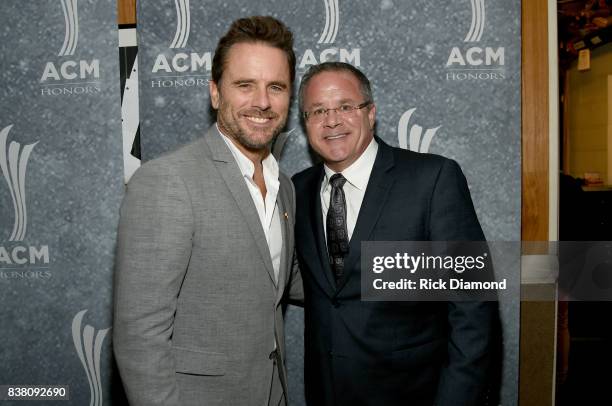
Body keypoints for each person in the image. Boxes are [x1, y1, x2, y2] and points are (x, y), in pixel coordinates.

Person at [113, 16, 302, 406]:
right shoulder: (167, 180)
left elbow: (286, 277)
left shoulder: (285, 186)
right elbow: (139, 335)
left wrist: (392, 272)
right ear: (215, 93)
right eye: (245, 85)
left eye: (276, 87)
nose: (262, 102)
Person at [293, 62, 497, 406]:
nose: (331, 121)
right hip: (326, 392)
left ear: (371, 113)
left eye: (345, 106)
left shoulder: (432, 179)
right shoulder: (296, 190)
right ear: (305, 122)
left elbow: (473, 306)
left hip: (414, 394)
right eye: (317, 111)